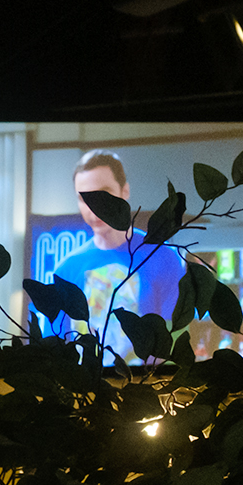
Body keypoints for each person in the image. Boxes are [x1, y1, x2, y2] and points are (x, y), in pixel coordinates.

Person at [43, 149, 185, 360]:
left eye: (104, 193)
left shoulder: (164, 258)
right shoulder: (66, 269)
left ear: (124, 191)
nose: (95, 207)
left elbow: (175, 344)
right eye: (85, 198)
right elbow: (52, 351)